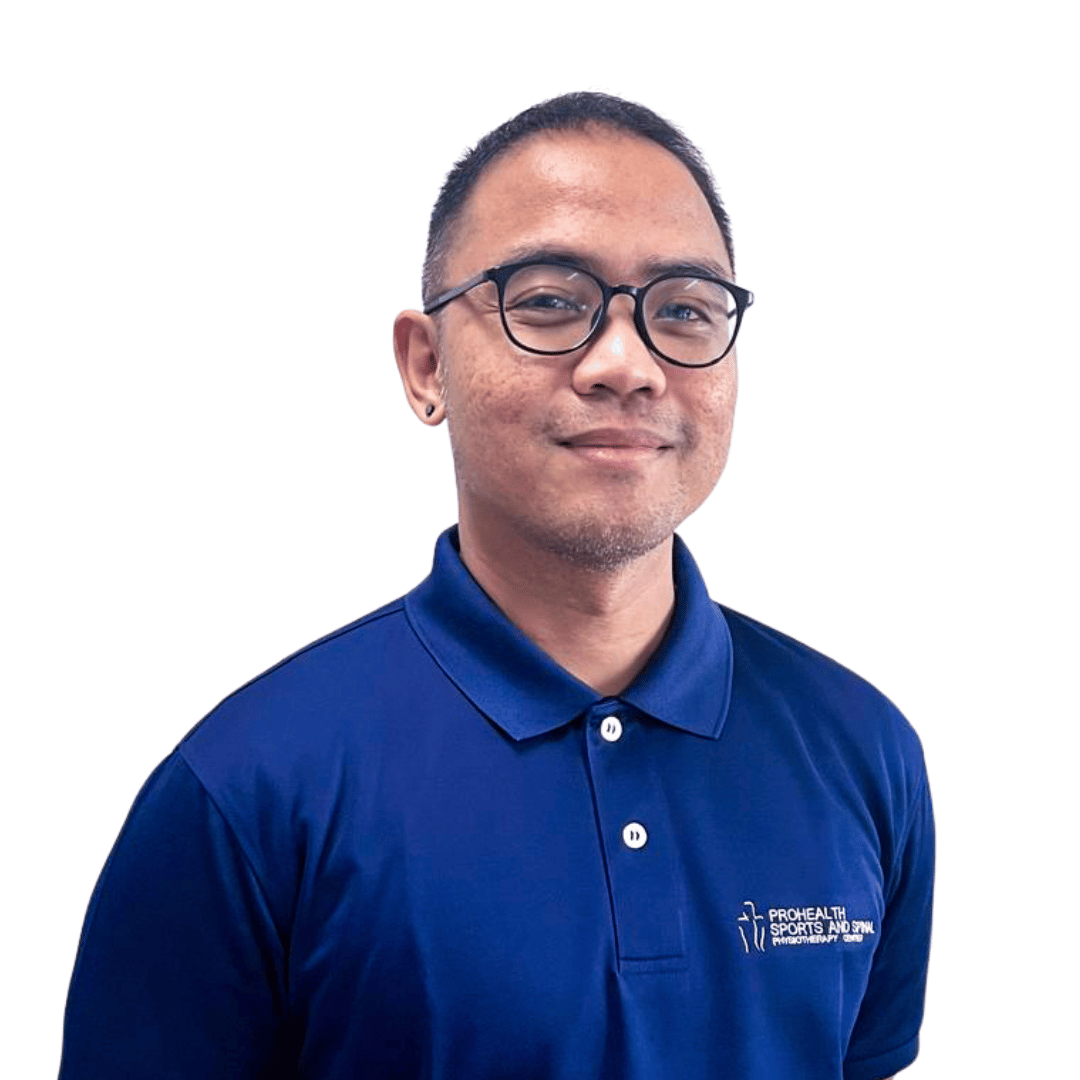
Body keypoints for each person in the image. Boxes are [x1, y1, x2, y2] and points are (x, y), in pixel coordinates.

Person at [59, 92, 933, 1080]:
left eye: (684, 308)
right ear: (425, 364)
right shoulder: (244, 795)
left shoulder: (864, 753)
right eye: (551, 301)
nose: (625, 363)